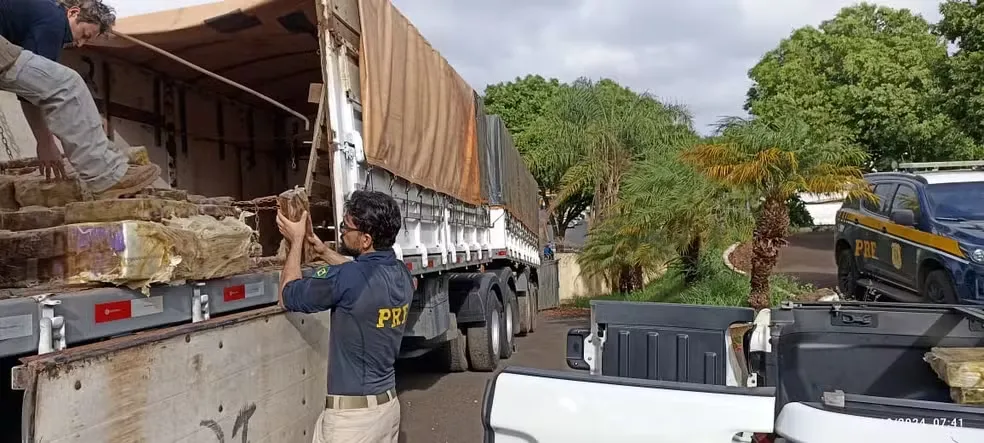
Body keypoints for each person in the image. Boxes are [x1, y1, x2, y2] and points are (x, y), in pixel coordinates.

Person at [276, 190, 412, 443]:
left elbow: (287, 294)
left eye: (346, 227)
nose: (341, 231)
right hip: (387, 410)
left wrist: (296, 241)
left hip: (353, 422)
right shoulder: (402, 275)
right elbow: (358, 273)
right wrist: (323, 251)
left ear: (366, 240)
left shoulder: (348, 279)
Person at [0, 0, 160, 198]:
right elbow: (32, 94)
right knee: (69, 85)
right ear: (73, 13)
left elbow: (32, 87)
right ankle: (107, 176)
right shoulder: (54, 21)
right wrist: (45, 142)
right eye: (84, 34)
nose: (80, 43)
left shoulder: (41, 14)